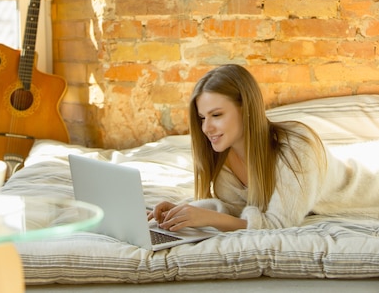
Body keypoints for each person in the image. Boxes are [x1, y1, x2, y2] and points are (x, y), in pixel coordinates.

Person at [149, 64, 379, 231]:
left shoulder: (297, 149)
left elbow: (277, 223)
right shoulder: (224, 157)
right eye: (201, 118)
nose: (206, 128)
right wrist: (186, 211)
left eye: (217, 115)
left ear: (246, 109)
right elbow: (234, 208)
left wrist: (208, 219)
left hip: (368, 188)